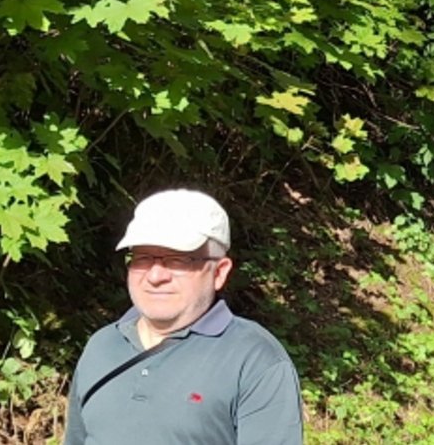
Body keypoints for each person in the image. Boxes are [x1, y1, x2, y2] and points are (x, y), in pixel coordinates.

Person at [65, 189, 304, 445]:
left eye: (178, 260)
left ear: (219, 272)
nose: (156, 276)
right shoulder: (102, 345)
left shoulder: (255, 360)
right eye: (143, 258)